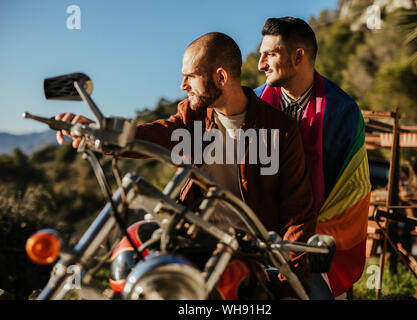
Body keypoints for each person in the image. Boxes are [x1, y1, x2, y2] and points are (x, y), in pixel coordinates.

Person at [55, 32, 317, 299]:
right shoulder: (191, 120)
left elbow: (298, 213)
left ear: (220, 78)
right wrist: (99, 132)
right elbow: (148, 135)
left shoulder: (279, 129)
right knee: (128, 262)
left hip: (250, 258)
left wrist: (288, 285)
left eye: (190, 76)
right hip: (192, 245)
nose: (183, 84)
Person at [255, 17, 371, 299]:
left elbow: (350, 193)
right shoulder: (252, 106)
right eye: (261, 55)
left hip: (317, 248)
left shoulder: (342, 112)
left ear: (298, 56)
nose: (261, 65)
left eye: (270, 54)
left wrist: (299, 238)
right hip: (257, 243)